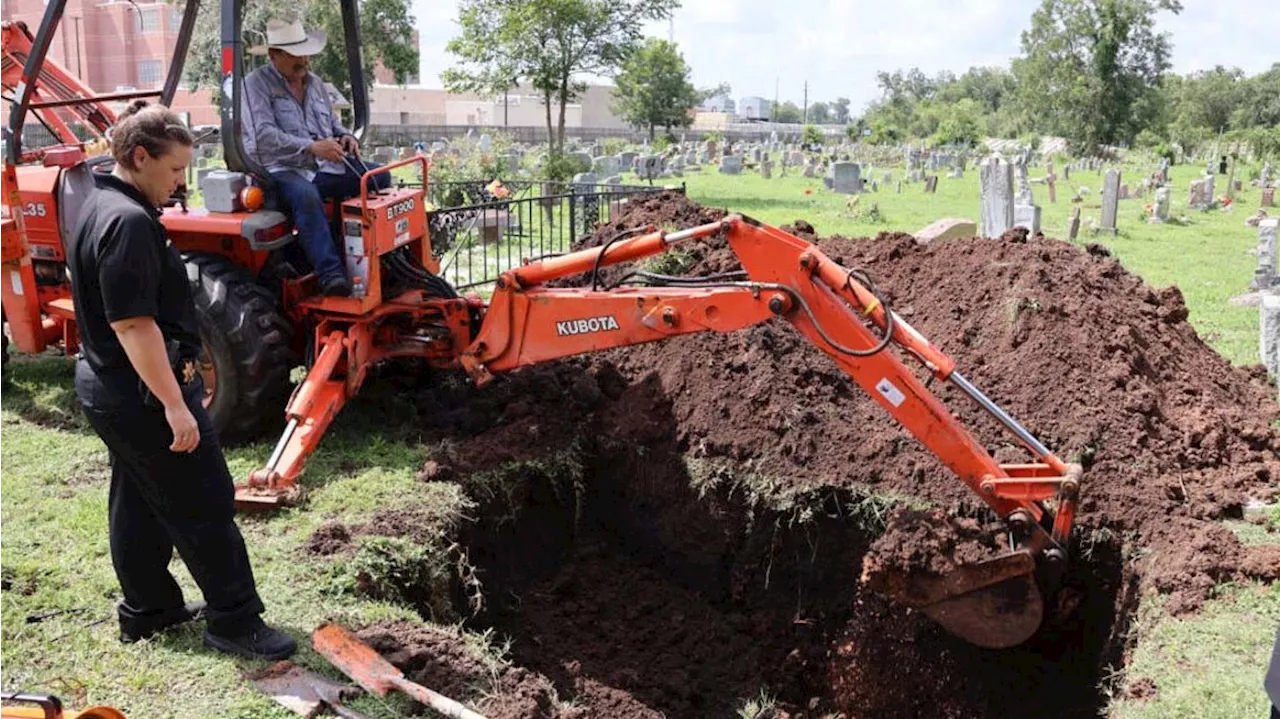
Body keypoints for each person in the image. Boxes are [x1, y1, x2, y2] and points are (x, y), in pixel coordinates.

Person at [66, 100, 296, 661]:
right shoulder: (126, 223)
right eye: (174, 170)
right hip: (142, 391)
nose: (180, 182)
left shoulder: (100, 204)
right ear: (139, 157)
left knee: (140, 498)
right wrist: (175, 404)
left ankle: (149, 610)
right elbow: (132, 323)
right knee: (204, 500)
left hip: (110, 387)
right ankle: (235, 621)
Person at [242, 17, 391, 297]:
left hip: (321, 165)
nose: (305, 62)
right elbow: (263, 136)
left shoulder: (315, 83)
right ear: (275, 55)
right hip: (278, 168)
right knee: (306, 195)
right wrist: (311, 147)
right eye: (296, 55)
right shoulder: (255, 85)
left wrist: (346, 136)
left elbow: (332, 125)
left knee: (378, 176)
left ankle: (375, 257)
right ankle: (331, 274)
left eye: (306, 53)